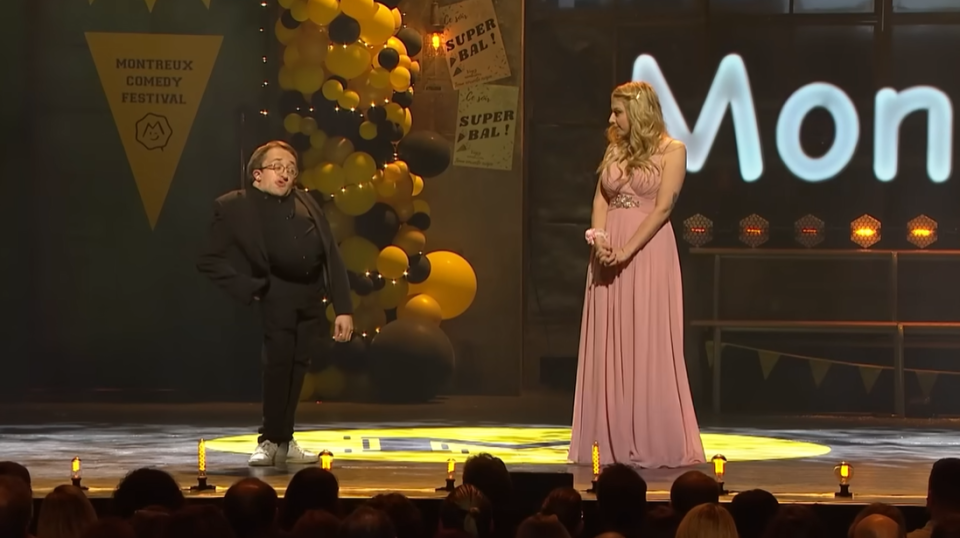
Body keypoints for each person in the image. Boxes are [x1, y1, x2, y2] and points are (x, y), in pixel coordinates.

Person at [568, 81, 705, 469]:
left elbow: (663, 210)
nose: (612, 118)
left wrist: (627, 250)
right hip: (607, 250)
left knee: (645, 337)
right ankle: (606, 436)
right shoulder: (615, 148)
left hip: (647, 253)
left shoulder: (672, 150)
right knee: (609, 338)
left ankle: (648, 435)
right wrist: (600, 240)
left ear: (640, 112)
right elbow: (600, 199)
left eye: (618, 111)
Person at [198, 140, 353, 466]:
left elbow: (331, 255)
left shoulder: (308, 202)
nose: (286, 174)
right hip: (275, 292)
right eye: (278, 167)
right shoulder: (235, 206)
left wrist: (344, 308)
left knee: (298, 368)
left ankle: (285, 438)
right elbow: (209, 258)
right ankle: (269, 438)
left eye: (292, 169)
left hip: (309, 295)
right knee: (278, 365)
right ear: (257, 174)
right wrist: (249, 287)